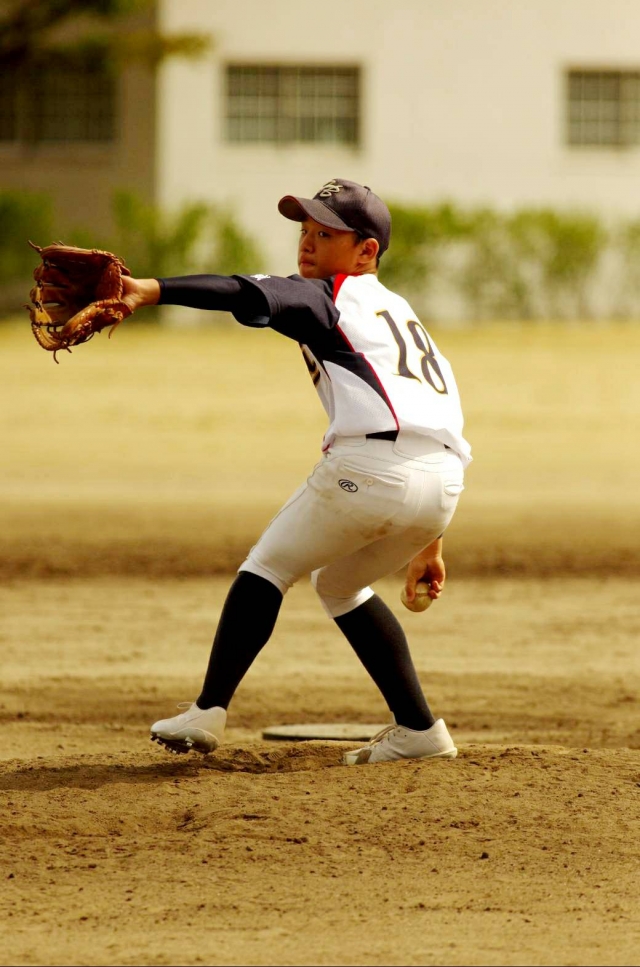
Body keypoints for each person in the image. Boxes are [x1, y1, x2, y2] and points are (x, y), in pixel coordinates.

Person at [121, 178, 472, 765]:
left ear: (366, 251)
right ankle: (419, 729)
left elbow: (239, 289)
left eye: (326, 234)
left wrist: (150, 290)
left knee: (267, 566)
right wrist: (429, 541)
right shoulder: (402, 312)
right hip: (443, 484)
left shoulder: (329, 296)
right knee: (337, 585)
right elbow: (434, 420)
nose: (308, 242)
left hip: (371, 469)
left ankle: (207, 711)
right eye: (305, 230)